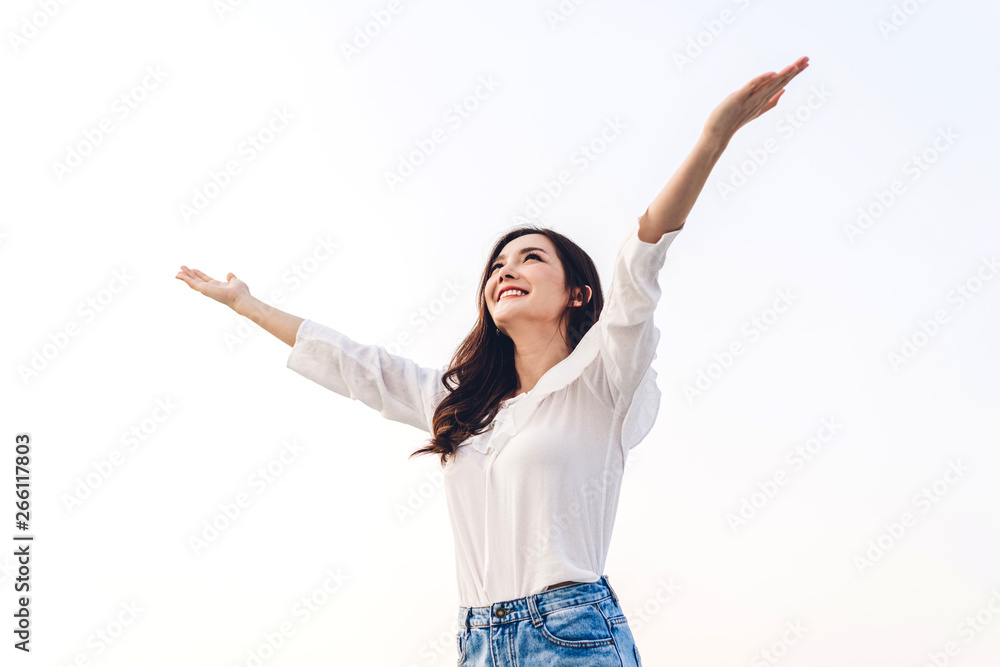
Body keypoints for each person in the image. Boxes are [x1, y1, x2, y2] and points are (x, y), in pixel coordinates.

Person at [176, 56, 809, 666]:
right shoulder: (461, 406)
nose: (507, 271)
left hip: (572, 633)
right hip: (477, 639)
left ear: (578, 292)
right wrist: (247, 304)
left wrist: (712, 138)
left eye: (532, 259)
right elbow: (357, 366)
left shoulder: (604, 378)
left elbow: (641, 260)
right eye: (497, 267)